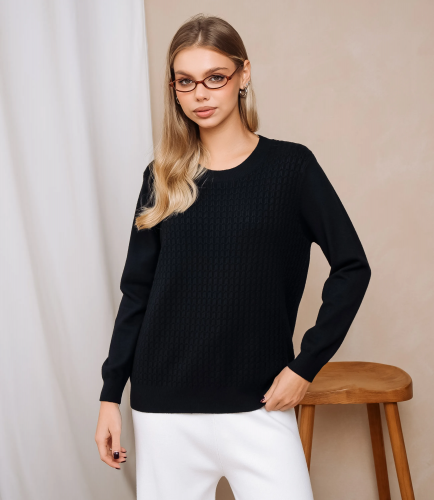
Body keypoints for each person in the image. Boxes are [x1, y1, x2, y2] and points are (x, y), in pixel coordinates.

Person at [95, 13, 371, 500]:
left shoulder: (291, 168)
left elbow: (352, 267)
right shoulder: (162, 177)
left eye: (215, 77)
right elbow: (136, 293)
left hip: (259, 405)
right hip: (165, 412)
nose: (200, 94)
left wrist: (305, 367)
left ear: (243, 74)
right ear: (174, 89)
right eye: (185, 81)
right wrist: (109, 395)